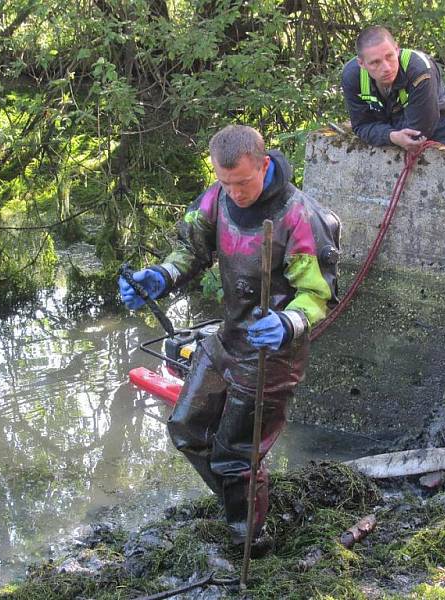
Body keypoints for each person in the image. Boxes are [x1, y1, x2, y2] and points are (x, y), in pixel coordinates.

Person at [118, 125, 337, 552]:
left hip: (273, 353)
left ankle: (250, 539)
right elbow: (191, 250)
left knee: (236, 454)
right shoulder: (216, 198)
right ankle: (242, 500)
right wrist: (160, 276)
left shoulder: (298, 216)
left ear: (264, 165)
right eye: (225, 182)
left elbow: (318, 295)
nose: (234, 193)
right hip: (228, 338)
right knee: (186, 428)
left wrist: (289, 321)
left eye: (242, 182)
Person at [341, 25, 445, 151]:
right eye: (375, 62)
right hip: (388, 119)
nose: (386, 68)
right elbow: (361, 125)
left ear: (397, 49)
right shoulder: (351, 76)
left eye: (389, 56)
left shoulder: (420, 70)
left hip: (435, 118)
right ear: (361, 63)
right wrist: (390, 136)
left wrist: (390, 134)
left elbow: (418, 132)